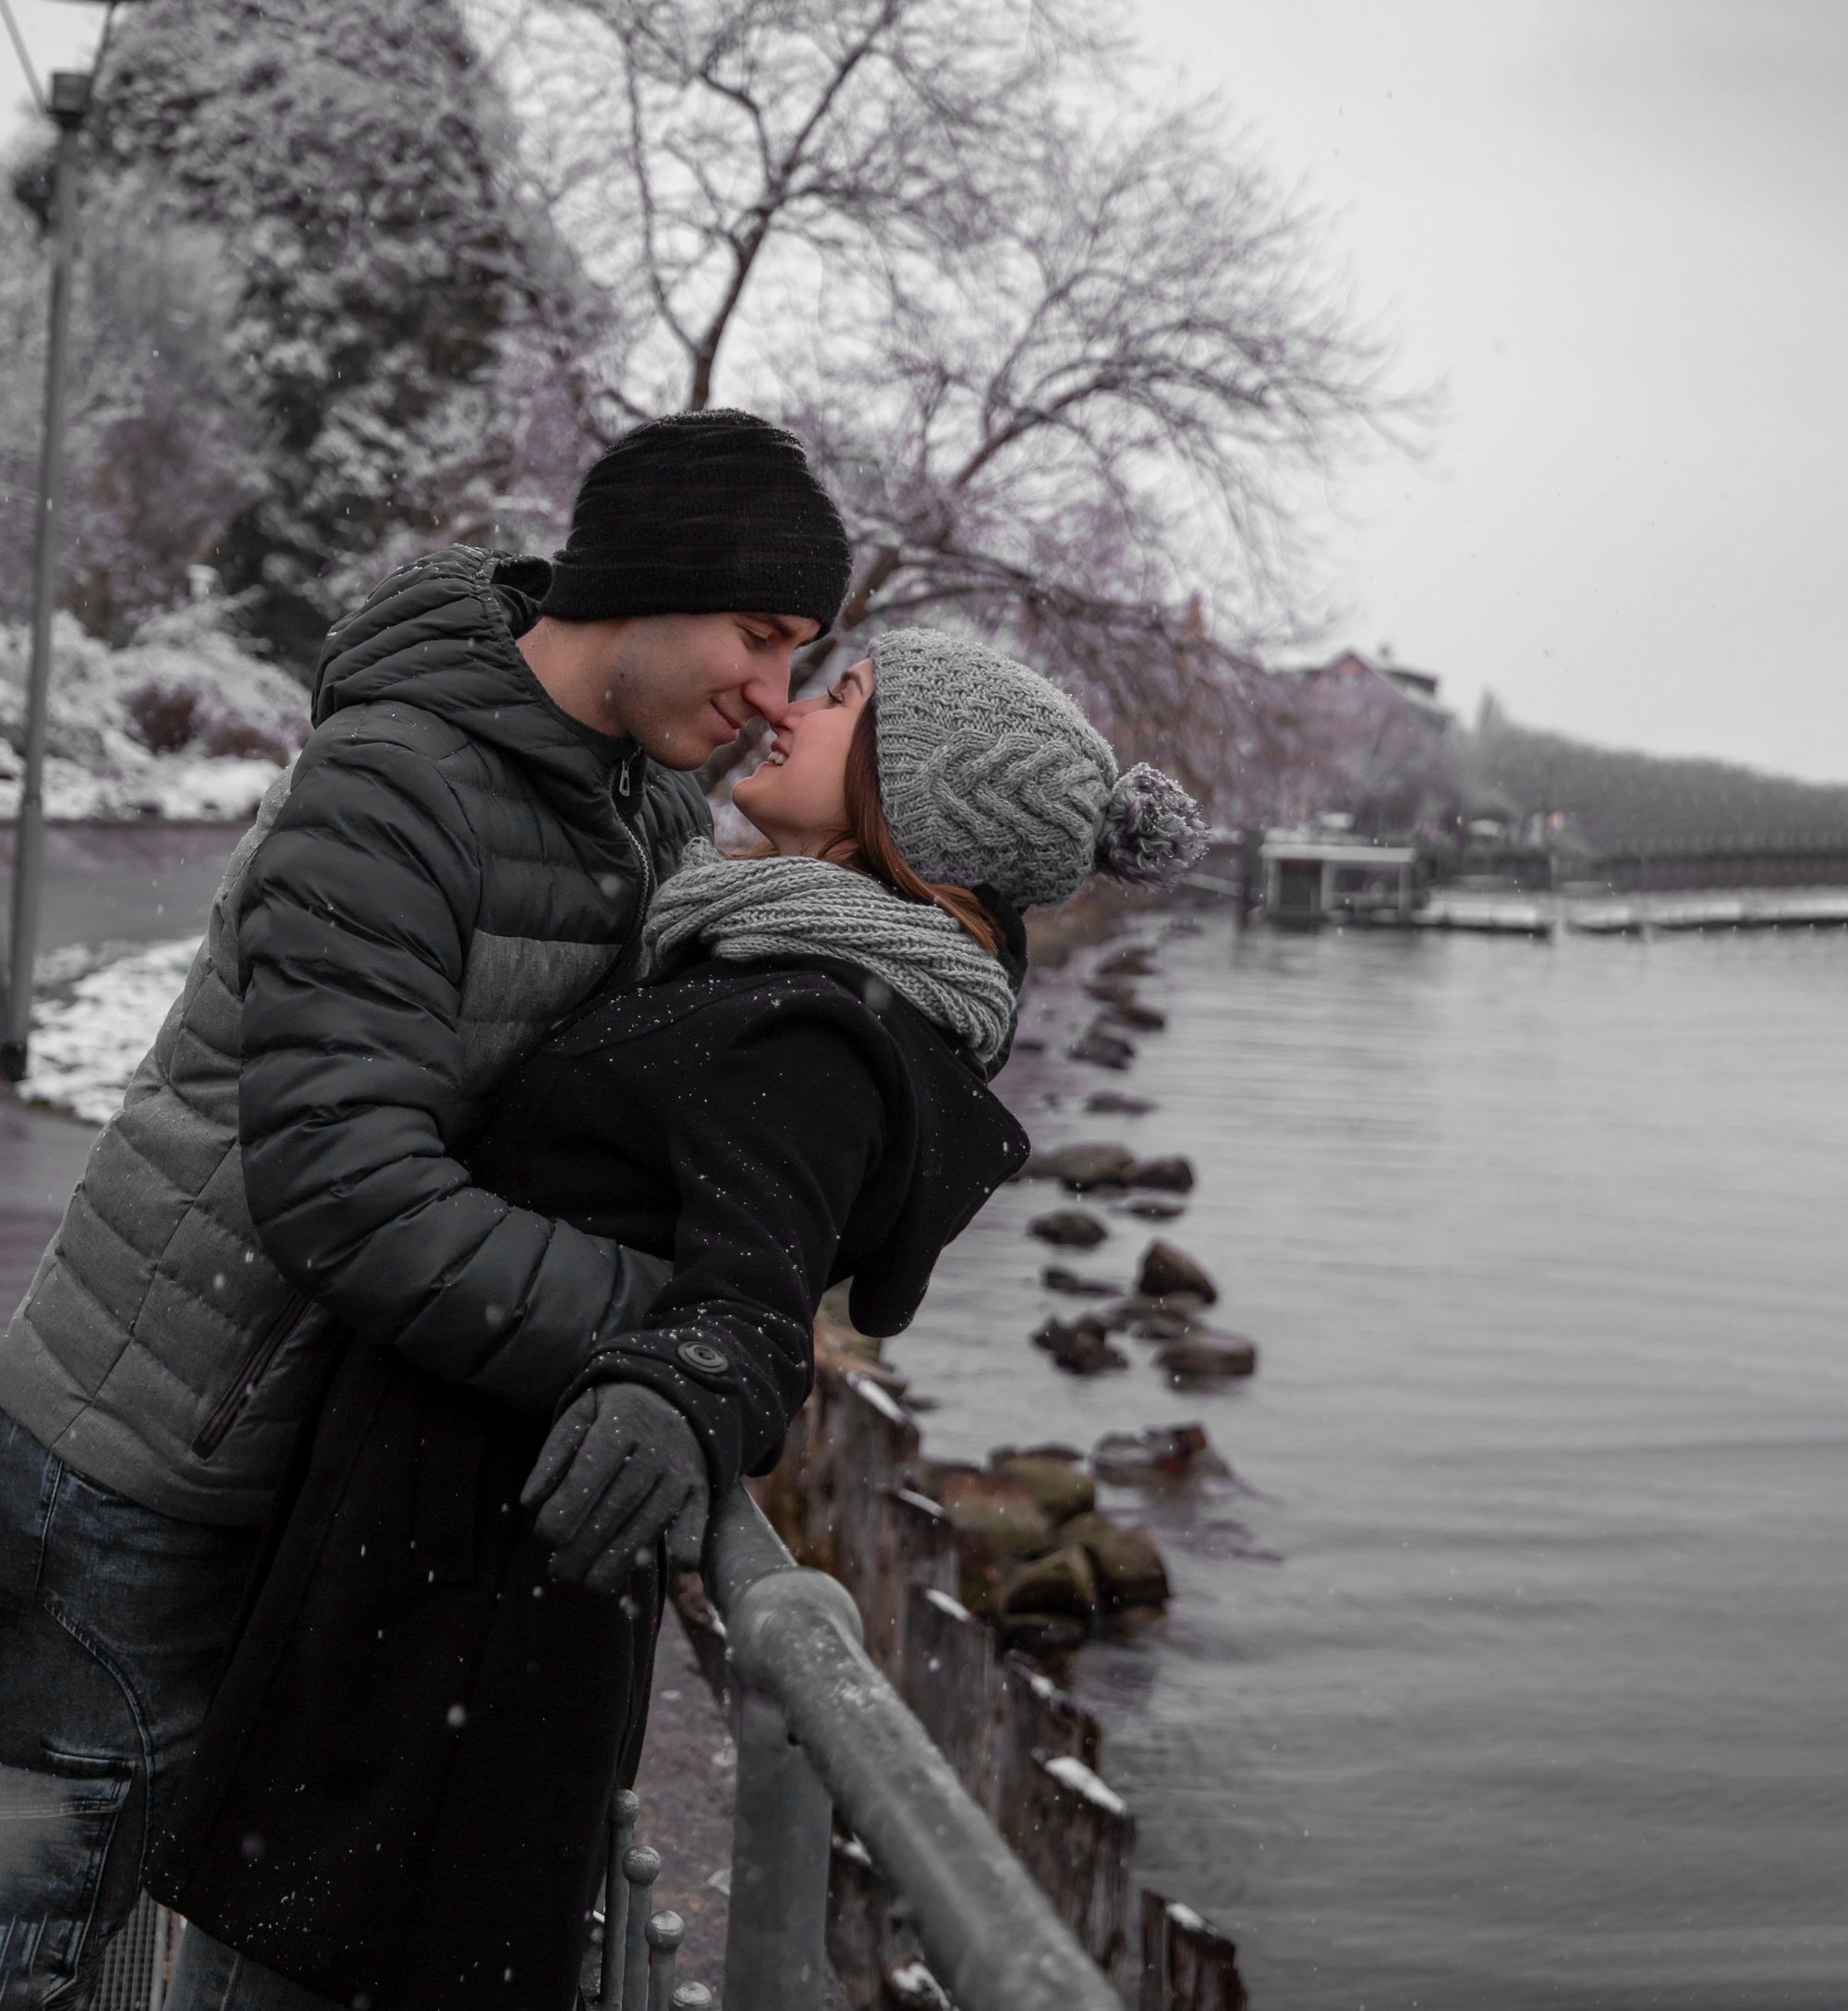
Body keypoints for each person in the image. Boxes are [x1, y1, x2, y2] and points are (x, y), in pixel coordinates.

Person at [148, 628, 1209, 2011]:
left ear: (920, 791)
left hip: (455, 1607)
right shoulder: (776, 965)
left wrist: (680, 1387)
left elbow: (751, 1302)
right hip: (443, 1578)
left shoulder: (815, 1028)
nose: (791, 709)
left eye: (843, 699)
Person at [0, 409, 854, 2010]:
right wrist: (663, 1327)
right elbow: (349, 1190)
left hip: (291, 1470)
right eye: (760, 633)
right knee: (42, 1933)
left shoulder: (641, 810)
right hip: (136, 1465)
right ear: (651, 577)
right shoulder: (394, 781)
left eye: (802, 656)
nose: (774, 692)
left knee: (171, 1910)